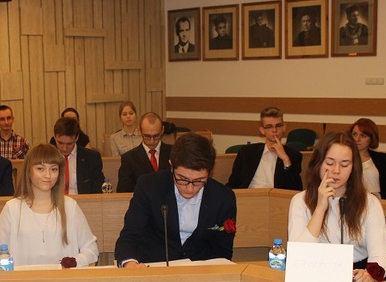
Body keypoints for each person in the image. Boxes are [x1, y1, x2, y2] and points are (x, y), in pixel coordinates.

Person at [115, 132, 237, 267]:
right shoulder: (149, 186)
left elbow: (223, 250)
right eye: (182, 179)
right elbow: (130, 235)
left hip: (202, 271)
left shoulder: (223, 197)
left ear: (210, 172)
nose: (190, 189)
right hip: (154, 267)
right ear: (171, 165)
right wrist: (129, 263)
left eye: (199, 181)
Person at [288, 131, 386, 282]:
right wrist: (320, 209)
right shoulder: (300, 201)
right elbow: (298, 256)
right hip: (313, 275)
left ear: (353, 168)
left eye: (344, 165)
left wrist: (370, 274)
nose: (336, 171)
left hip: (356, 277)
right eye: (330, 163)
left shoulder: (370, 203)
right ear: (318, 163)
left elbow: (381, 255)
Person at [0, 144, 99, 269]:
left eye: (53, 169)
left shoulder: (70, 206)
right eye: (40, 169)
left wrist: (72, 264)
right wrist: (8, 268)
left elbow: (91, 250)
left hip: (63, 280)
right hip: (23, 280)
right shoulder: (12, 208)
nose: (48, 175)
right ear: (29, 171)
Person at [227, 107, 302, 191]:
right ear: (262, 130)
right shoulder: (247, 152)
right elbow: (233, 183)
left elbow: (295, 189)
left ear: (284, 127)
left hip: (275, 197)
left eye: (278, 126)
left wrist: (285, 159)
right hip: (249, 195)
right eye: (269, 127)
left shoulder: (293, 155)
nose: (274, 130)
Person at [349, 118, 386, 200]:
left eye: (363, 136)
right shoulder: (343, 159)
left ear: (372, 138)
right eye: (354, 134)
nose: (357, 139)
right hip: (352, 203)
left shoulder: (382, 159)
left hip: (379, 203)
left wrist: (378, 196)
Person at [116, 112, 171, 193]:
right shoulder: (129, 158)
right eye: (147, 136)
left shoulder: (174, 153)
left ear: (162, 130)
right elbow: (123, 192)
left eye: (156, 136)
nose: (152, 141)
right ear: (139, 131)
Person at [53, 117, 104, 194]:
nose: (64, 148)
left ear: (76, 138)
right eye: (60, 143)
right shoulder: (46, 157)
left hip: (82, 200)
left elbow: (97, 189)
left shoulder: (91, 158)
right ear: (54, 136)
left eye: (69, 144)